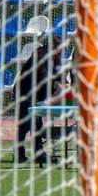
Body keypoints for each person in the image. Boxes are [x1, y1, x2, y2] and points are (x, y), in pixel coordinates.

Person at [14, 36, 67, 166]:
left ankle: (24, 155)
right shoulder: (39, 58)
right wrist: (52, 95)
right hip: (24, 93)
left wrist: (64, 83)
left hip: (34, 95)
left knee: (29, 125)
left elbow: (59, 75)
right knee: (31, 125)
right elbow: (44, 81)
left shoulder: (54, 58)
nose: (61, 52)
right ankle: (35, 155)